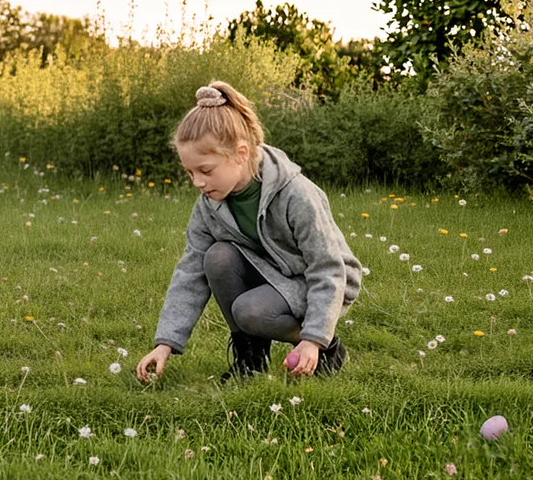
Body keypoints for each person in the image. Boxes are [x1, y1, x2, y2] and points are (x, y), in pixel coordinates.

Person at [135, 81, 363, 384]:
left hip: (320, 282)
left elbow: (327, 267)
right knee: (217, 257)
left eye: (205, 170)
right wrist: (165, 343)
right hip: (272, 274)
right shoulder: (209, 204)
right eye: (190, 172)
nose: (197, 182)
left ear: (241, 153)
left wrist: (314, 338)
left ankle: (327, 348)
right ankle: (250, 360)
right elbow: (190, 270)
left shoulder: (297, 195)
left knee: (249, 310)